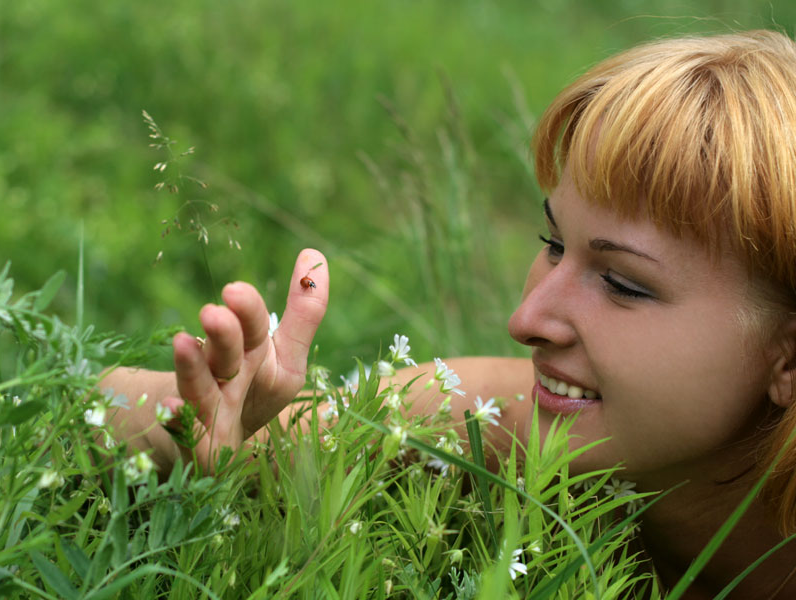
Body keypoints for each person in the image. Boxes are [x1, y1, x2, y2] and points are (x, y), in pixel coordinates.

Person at [102, 30, 796, 598]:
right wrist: (211, 414)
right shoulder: (493, 430)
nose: (527, 319)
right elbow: (98, 404)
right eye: (553, 244)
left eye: (622, 282)